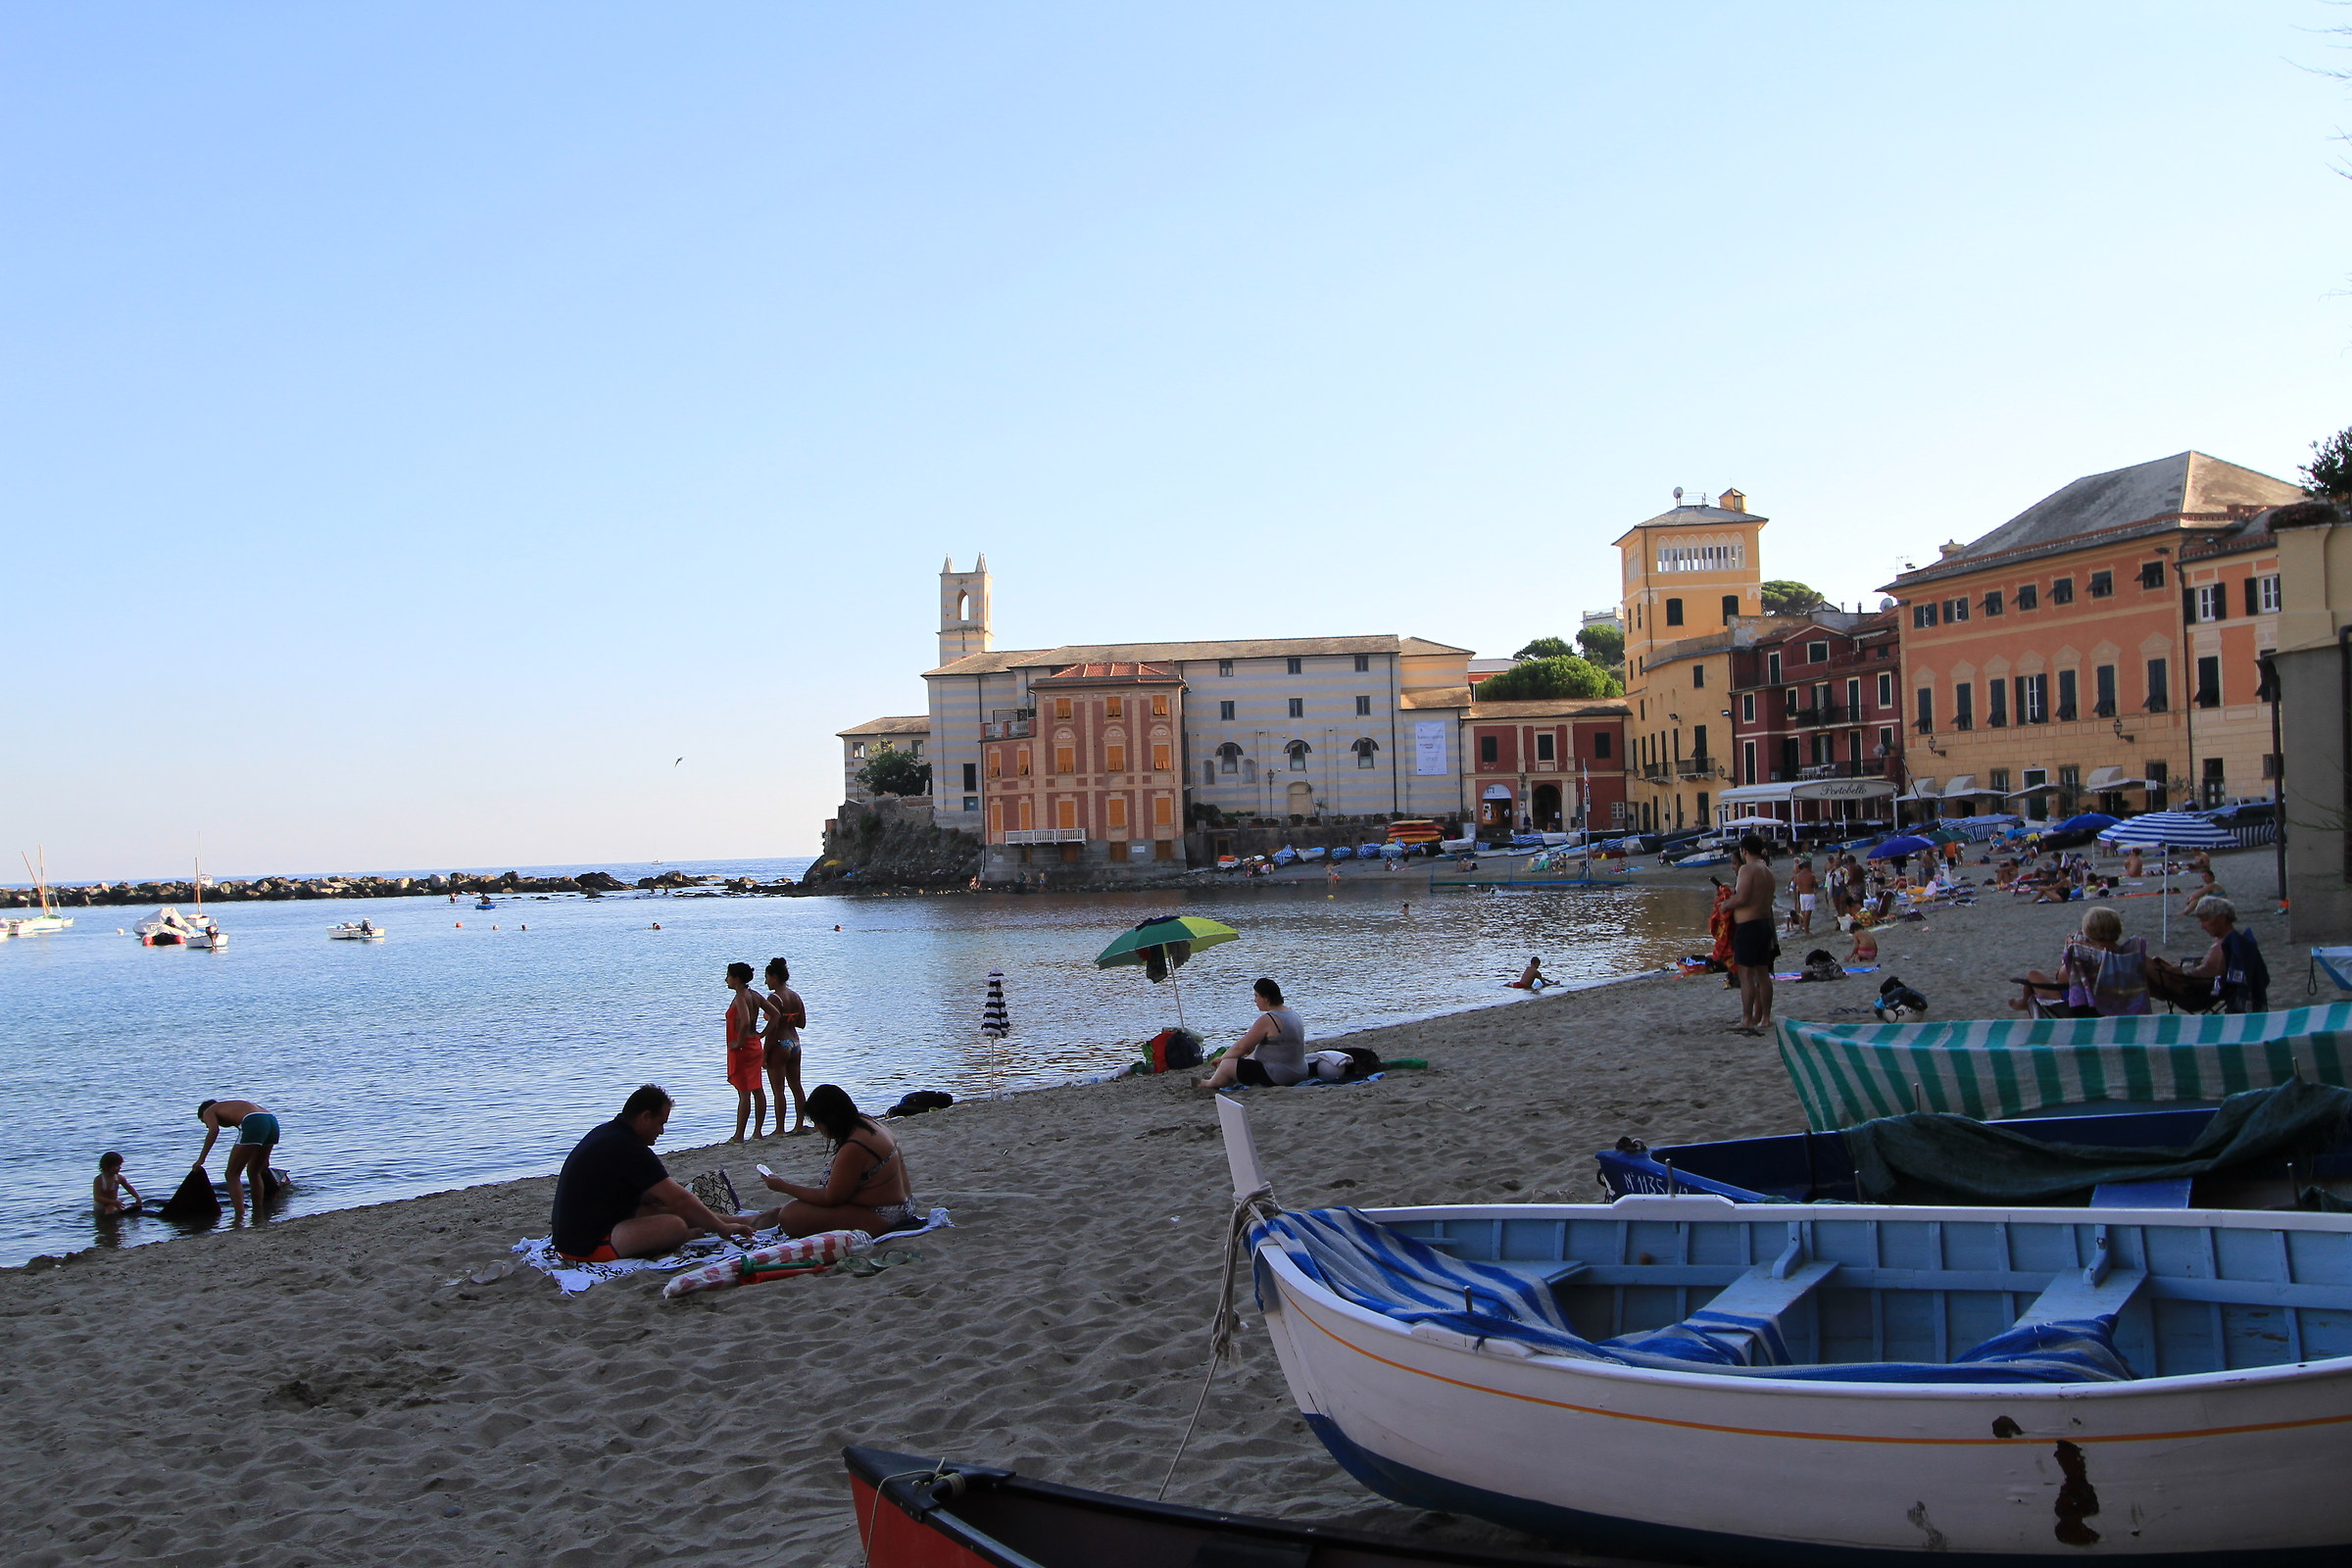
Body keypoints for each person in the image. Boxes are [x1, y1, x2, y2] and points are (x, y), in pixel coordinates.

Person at [550, 1084, 757, 1261]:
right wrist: (721, 1230)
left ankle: (741, 1223)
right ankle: (717, 1227)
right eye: (661, 1123)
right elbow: (679, 1199)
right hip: (585, 1245)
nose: (662, 1131)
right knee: (673, 1224)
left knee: (660, 1205)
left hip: (581, 1230)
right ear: (645, 1117)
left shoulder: (610, 1133)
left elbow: (662, 1195)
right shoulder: (628, 1146)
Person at [756, 1084, 921, 1237]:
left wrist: (783, 1186)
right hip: (901, 1206)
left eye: (817, 1122)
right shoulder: (867, 1123)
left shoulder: (855, 1146)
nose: (817, 1128)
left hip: (886, 1215)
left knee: (790, 1215)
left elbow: (831, 1198)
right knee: (778, 1212)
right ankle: (735, 1222)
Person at [2012, 906, 2149, 1017]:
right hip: (2124, 1004)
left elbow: (2063, 981)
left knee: (2032, 975)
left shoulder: (2083, 958)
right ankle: (2024, 1003)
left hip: (2083, 1008)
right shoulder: (2130, 956)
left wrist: (2063, 966)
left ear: (2088, 930)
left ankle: (2024, 1002)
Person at [1198, 977, 1310, 1089]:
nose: (1255, 1000)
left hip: (1280, 1076)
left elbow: (1240, 1048)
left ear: (1266, 998)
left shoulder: (1269, 1019)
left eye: (1256, 996)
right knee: (1250, 1054)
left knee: (1226, 1064)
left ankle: (1208, 1083)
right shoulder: (1292, 1014)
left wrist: (1222, 1059)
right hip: (1301, 1071)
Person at [194, 1099, 279, 1221]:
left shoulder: (209, 1110)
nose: (207, 1125)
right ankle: (258, 1212)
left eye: (204, 1122)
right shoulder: (230, 1106)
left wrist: (201, 1160)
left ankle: (239, 1217)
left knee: (231, 1174)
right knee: (254, 1172)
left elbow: (213, 1130)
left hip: (254, 1120)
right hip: (271, 1120)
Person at [2180, 898, 2271, 1013]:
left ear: (2222, 918)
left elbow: (2209, 973)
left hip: (2206, 991)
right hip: (2211, 987)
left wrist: (2178, 973)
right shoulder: (2231, 941)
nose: (2202, 926)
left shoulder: (2226, 944)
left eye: (2205, 920)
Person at [1726, 836, 1777, 1035]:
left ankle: (1747, 1019)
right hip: (1765, 925)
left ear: (1744, 850)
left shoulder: (1748, 869)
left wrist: (1725, 904)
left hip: (1749, 926)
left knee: (1746, 974)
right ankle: (1765, 1018)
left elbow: (1743, 897)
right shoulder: (1767, 870)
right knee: (1763, 974)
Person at [723, 961, 772, 1141]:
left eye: (728, 975)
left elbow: (744, 1021)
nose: (726, 979)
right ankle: (758, 1132)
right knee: (757, 1089)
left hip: (743, 1048)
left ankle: (739, 1135)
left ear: (736, 978)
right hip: (754, 1045)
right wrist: (762, 1034)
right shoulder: (755, 995)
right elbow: (775, 1014)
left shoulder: (740, 997)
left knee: (744, 1092)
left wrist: (739, 1041)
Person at [763, 956, 809, 1136]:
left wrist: (764, 1053)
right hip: (795, 1043)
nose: (766, 981)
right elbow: (802, 1023)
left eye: (767, 977)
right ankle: (799, 1124)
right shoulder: (795, 996)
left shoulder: (774, 998)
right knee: (796, 1086)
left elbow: (773, 1029)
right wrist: (789, 1018)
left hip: (780, 1044)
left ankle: (780, 1128)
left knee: (778, 1091)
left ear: (774, 977)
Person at [93, 1152, 143, 1217]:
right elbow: (97, 1197)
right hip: (101, 1205)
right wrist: (113, 1202)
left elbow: (129, 1188)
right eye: (117, 1166)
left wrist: (138, 1198)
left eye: (120, 1165)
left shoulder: (119, 1178)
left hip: (115, 1203)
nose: (120, 1168)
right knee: (109, 1212)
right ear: (107, 1167)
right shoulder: (99, 1180)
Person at [1790, 858, 1819, 935]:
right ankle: (1806, 930)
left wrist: (1795, 896)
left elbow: (1794, 886)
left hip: (1802, 895)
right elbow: (1815, 885)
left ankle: (1803, 927)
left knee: (1803, 912)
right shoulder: (1811, 875)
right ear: (1809, 867)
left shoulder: (1798, 876)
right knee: (1808, 913)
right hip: (1809, 894)